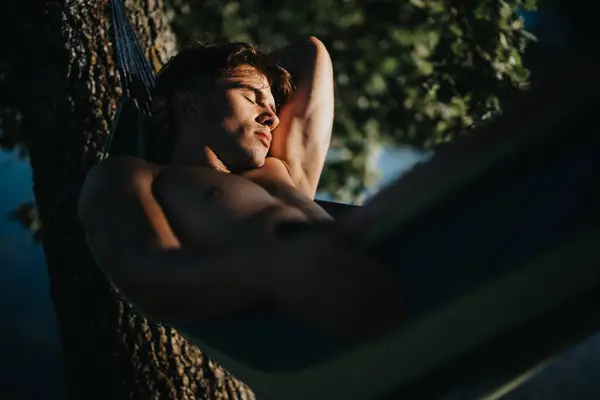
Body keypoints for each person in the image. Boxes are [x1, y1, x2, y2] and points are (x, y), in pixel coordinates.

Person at [78, 37, 405, 342]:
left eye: (274, 108)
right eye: (252, 98)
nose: (272, 119)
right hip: (319, 323)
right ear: (189, 106)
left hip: (391, 265)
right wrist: (272, 268)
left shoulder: (279, 171)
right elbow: (146, 276)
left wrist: (253, 75)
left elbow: (310, 51)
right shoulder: (136, 176)